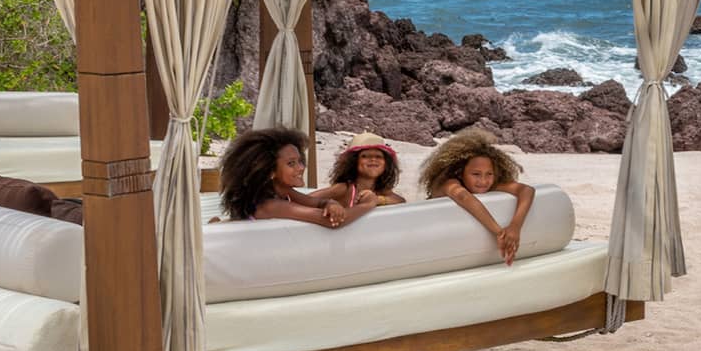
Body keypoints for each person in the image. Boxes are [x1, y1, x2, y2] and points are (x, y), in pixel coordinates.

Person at [217, 125, 382, 227]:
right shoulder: (271, 205)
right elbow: (332, 222)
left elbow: (316, 202)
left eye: (299, 161)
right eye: (291, 163)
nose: (301, 167)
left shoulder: (285, 193)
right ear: (269, 171)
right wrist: (368, 204)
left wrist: (330, 203)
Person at [418, 126, 535, 264]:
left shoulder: (488, 185)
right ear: (460, 172)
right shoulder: (448, 183)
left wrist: (515, 227)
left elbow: (526, 190)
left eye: (489, 174)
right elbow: (463, 196)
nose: (483, 181)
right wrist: (499, 232)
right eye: (476, 174)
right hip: (431, 236)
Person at [326, 132, 405, 208]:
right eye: (365, 156)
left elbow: (401, 201)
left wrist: (378, 200)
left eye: (378, 156)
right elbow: (313, 199)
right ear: (353, 161)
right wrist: (330, 205)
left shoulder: (380, 189)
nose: (373, 159)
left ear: (386, 163)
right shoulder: (344, 187)